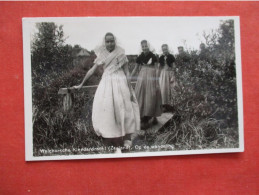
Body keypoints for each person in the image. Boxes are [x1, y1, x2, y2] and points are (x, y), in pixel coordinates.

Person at [74, 32, 140, 153]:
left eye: (111, 41)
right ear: (105, 42)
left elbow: (127, 72)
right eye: (107, 41)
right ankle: (111, 138)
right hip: (107, 83)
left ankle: (127, 138)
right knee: (107, 108)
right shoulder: (102, 54)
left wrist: (129, 88)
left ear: (115, 41)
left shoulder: (120, 53)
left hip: (120, 82)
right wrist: (81, 84)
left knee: (124, 107)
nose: (110, 43)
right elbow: (91, 71)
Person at [131, 40, 162, 129]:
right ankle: (143, 119)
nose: (144, 48)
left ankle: (153, 116)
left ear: (149, 46)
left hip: (151, 76)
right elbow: (135, 69)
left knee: (151, 95)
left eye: (146, 46)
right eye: (143, 46)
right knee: (140, 95)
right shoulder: (140, 56)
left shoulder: (153, 56)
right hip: (142, 77)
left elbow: (157, 69)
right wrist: (129, 78)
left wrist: (156, 80)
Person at [159, 44, 176, 112]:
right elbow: (159, 67)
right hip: (163, 74)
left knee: (171, 89)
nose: (164, 51)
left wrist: (173, 75)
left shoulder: (171, 56)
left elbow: (174, 66)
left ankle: (172, 105)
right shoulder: (161, 57)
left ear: (167, 49)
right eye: (163, 49)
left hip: (170, 73)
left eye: (165, 49)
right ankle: (165, 106)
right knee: (164, 89)